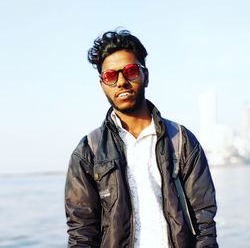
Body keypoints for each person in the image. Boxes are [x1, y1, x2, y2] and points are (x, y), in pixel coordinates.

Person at [65, 29, 218, 248]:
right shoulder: (89, 151)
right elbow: (81, 232)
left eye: (130, 71)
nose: (121, 82)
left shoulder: (181, 140)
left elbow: (204, 219)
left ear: (145, 76)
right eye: (111, 75)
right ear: (102, 85)